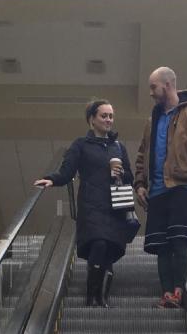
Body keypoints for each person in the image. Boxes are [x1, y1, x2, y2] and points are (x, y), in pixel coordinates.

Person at [35, 99, 137, 307]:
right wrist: (51, 179)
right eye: (104, 116)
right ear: (92, 119)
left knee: (109, 249)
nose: (108, 120)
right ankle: (91, 296)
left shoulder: (119, 147)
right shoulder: (81, 145)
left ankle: (102, 298)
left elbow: (130, 178)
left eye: (111, 116)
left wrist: (121, 173)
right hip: (91, 206)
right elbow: (67, 171)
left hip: (115, 207)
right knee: (98, 244)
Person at [134, 66, 187, 308]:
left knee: (179, 240)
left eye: (153, 87)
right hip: (157, 191)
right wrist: (140, 183)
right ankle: (166, 293)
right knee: (161, 245)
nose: (150, 92)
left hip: (183, 186)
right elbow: (143, 154)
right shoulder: (153, 119)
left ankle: (178, 291)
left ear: (167, 85)